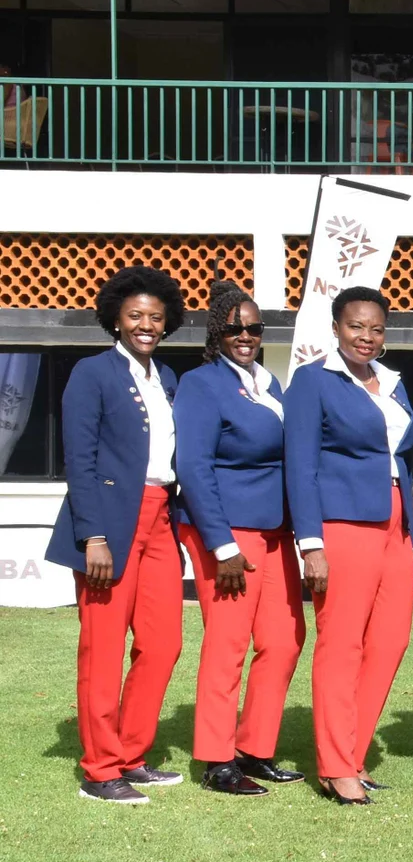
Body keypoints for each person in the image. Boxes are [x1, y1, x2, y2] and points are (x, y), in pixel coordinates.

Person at [46, 265, 188, 804]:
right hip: (109, 522)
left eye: (155, 316)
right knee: (103, 649)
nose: (146, 324)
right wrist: (93, 536)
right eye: (135, 316)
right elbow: (78, 460)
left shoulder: (168, 379)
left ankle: (131, 754)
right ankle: (100, 769)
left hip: (160, 520)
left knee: (163, 643)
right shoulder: (92, 372)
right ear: (116, 320)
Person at [284, 286, 413, 806]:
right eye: (356, 326)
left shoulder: (392, 382)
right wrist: (311, 541)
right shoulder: (312, 381)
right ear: (337, 328)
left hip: (394, 523)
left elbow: (400, 453)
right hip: (342, 524)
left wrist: (405, 529)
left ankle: (354, 752)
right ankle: (336, 765)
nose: (366, 336)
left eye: (376, 328)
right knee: (341, 644)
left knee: (392, 640)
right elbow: (300, 463)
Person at [174, 280, 305, 797]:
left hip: (274, 531)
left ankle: (255, 747)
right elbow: (193, 465)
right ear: (217, 333)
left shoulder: (268, 384)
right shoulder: (202, 384)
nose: (245, 335)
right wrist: (221, 543)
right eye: (235, 328)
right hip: (228, 532)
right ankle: (216, 759)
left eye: (254, 328)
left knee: (284, 640)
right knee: (228, 644)